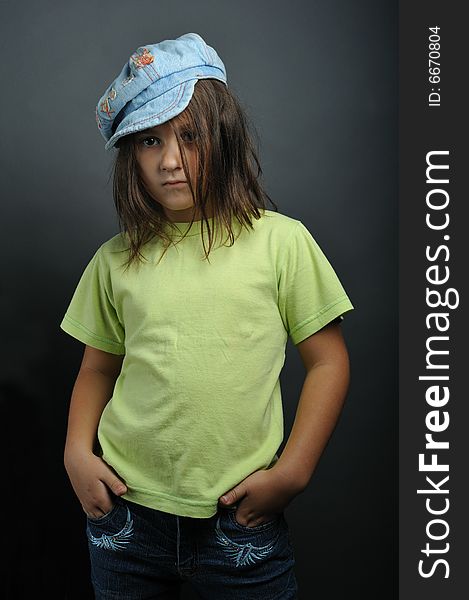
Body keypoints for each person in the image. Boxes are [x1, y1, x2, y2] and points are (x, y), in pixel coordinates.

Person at [60, 32, 354, 600]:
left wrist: (293, 473)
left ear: (224, 135)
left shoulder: (281, 243)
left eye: (190, 136)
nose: (170, 160)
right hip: (126, 517)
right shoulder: (116, 259)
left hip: (238, 523)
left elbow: (329, 362)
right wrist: (76, 452)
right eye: (149, 141)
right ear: (130, 157)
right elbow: (97, 368)